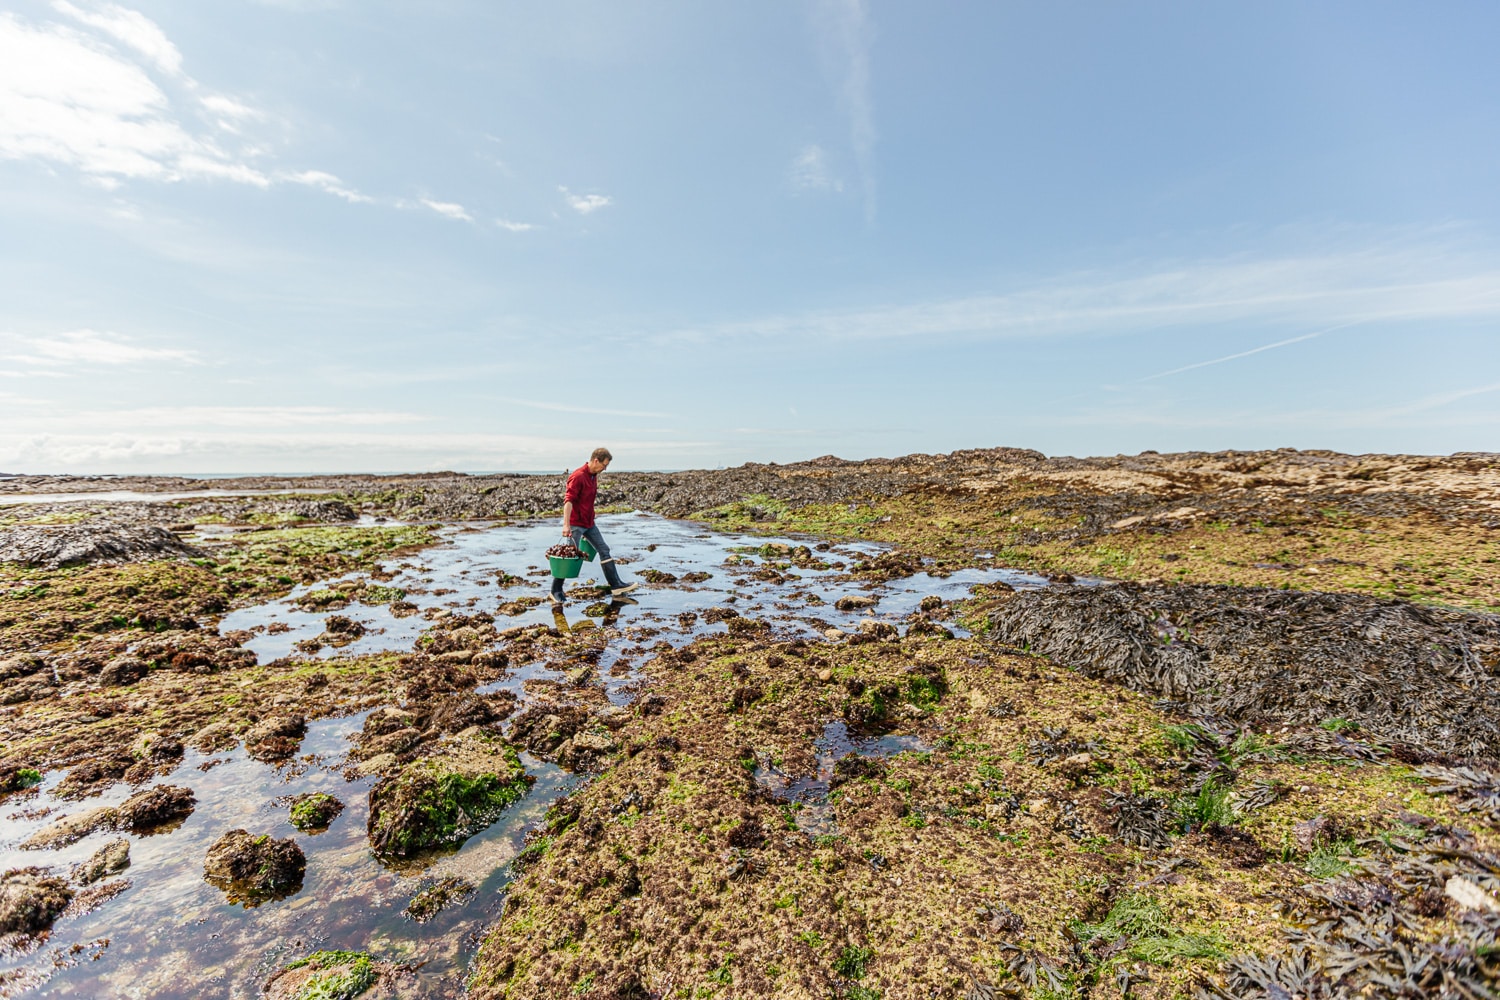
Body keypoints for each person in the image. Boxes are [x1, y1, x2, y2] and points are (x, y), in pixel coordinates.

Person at [552, 447, 637, 605]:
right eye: (604, 465)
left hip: (589, 523)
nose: (605, 469)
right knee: (569, 556)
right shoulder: (577, 476)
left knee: (604, 550)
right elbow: (568, 501)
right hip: (576, 524)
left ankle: (616, 585)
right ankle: (555, 590)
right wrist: (566, 525)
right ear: (596, 460)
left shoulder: (593, 476)